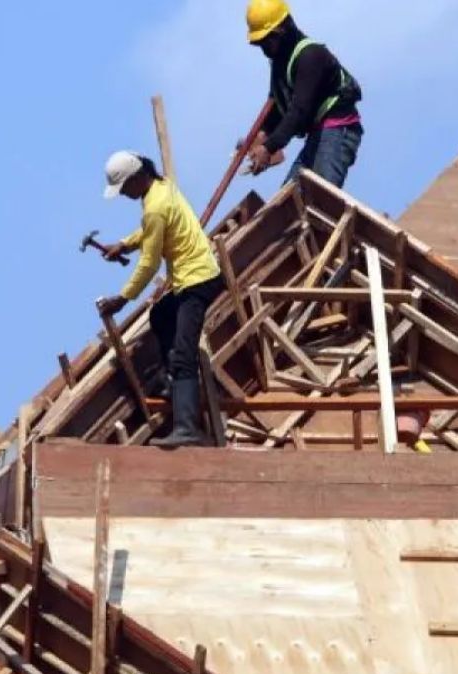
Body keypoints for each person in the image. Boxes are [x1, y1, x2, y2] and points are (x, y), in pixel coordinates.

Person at [95, 151, 223, 448]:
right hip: (193, 277)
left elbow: (150, 263)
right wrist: (125, 244)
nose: (125, 194)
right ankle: (173, 383)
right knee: (161, 315)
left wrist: (123, 298)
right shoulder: (162, 187)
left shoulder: (154, 206)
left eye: (125, 187)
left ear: (138, 178)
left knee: (183, 353)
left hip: (197, 282)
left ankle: (188, 428)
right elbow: (153, 228)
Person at [243, 0, 364, 187]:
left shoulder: (311, 56)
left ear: (283, 29)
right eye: (260, 44)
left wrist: (269, 147)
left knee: (320, 198)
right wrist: (263, 134)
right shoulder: (280, 62)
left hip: (338, 130)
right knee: (287, 203)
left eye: (267, 41)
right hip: (318, 134)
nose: (265, 50)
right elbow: (278, 106)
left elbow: (299, 111)